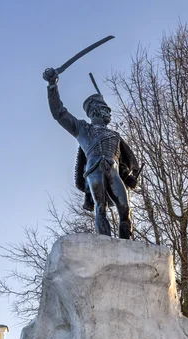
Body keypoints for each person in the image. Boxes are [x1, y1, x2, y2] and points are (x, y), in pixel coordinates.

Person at [42, 68, 139, 239]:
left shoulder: (115, 135)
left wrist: (129, 176)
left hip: (113, 169)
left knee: (125, 208)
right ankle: (105, 243)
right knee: (100, 208)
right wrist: (52, 86)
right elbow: (59, 113)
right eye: (105, 110)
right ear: (95, 111)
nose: (109, 113)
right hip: (95, 169)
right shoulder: (82, 129)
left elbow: (124, 161)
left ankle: (126, 245)